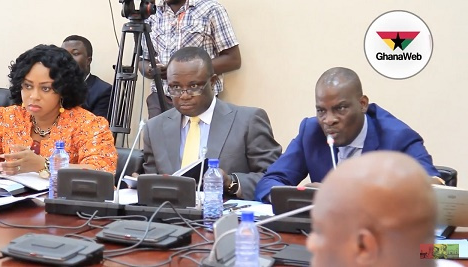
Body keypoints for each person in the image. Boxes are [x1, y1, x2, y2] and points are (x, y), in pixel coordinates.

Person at [254, 67, 441, 202]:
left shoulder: (397, 137)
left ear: (362, 104)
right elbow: (269, 183)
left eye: (340, 108)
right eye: (321, 111)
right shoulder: (311, 132)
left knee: (441, 252)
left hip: (386, 241)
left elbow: (434, 189)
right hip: (330, 241)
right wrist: (301, 198)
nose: (329, 120)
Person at [142, 47, 280, 200]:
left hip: (224, 218)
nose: (184, 95)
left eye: (194, 86)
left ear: (213, 82)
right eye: (175, 87)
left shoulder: (248, 121)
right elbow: (153, 185)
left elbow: (274, 179)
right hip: (169, 218)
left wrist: (231, 182)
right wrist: (140, 184)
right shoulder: (154, 128)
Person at [306, 151, 462, 267]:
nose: (310, 244)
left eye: (319, 231)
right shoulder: (430, 254)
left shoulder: (396, 132)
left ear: (364, 246)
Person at [0, 44, 117, 176]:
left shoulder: (88, 124)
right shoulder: (5, 117)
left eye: (45, 88)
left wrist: (44, 164)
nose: (34, 96)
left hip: (61, 196)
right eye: (27, 86)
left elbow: (103, 172)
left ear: (63, 90)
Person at [139, 0, 241, 119]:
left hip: (198, 98)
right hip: (161, 98)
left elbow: (233, 59)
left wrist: (182, 73)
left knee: (198, 137)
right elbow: (143, 60)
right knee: (158, 136)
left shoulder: (211, 9)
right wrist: (151, 70)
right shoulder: (151, 12)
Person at [62, 35, 112, 119]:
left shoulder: (103, 90)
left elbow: (98, 128)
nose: (67, 59)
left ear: (88, 60)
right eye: (64, 54)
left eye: (75, 54)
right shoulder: (53, 86)